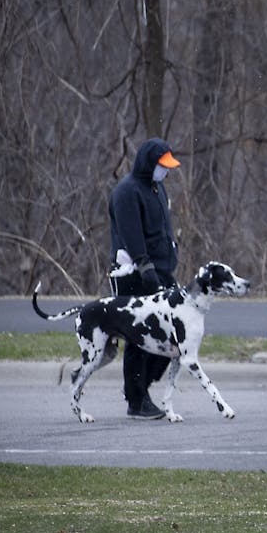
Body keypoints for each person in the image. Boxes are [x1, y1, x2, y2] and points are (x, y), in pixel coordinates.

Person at [108, 137, 182, 419]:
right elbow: (131, 235)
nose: (167, 171)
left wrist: (170, 253)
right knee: (139, 337)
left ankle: (140, 387)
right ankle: (136, 400)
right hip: (134, 275)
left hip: (160, 272)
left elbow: (162, 227)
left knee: (171, 334)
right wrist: (144, 267)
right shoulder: (127, 192)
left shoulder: (157, 187)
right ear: (148, 164)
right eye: (163, 166)